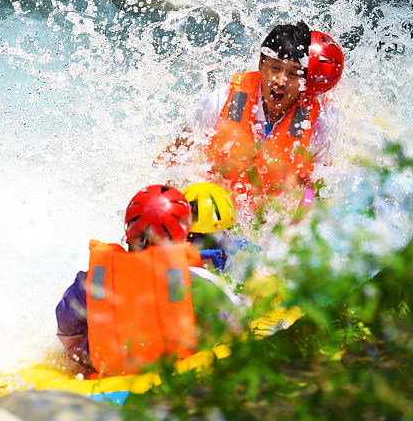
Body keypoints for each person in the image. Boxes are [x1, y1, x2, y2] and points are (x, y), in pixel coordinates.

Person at [55, 184, 243, 376]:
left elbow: (68, 330)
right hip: (177, 375)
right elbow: (238, 323)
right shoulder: (193, 280)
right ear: (183, 235)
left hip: (107, 378)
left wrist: (87, 358)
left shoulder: (91, 281)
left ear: (128, 230)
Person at [160, 22, 344, 212]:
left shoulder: (317, 125)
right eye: (275, 67)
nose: (280, 80)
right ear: (261, 64)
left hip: (271, 218)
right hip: (215, 207)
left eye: (292, 73)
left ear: (305, 80)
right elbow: (176, 153)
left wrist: (299, 217)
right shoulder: (222, 101)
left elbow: (314, 191)